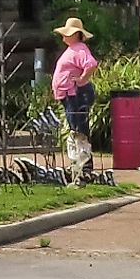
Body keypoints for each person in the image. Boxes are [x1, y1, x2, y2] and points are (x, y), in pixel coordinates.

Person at [50, 17, 98, 179]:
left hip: (74, 94)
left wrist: (83, 79)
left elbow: (91, 64)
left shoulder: (79, 49)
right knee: (76, 127)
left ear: (75, 34)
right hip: (69, 94)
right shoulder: (74, 49)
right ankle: (81, 162)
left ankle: (84, 164)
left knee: (78, 128)